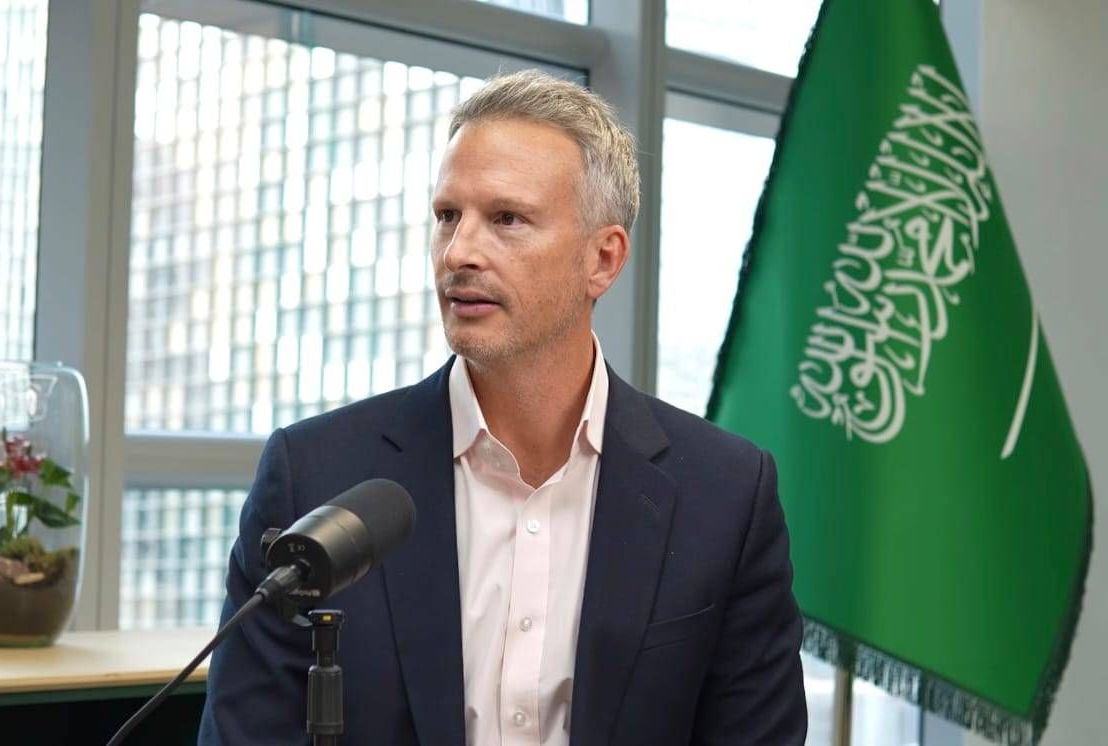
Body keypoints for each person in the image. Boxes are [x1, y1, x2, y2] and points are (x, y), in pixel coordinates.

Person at [198, 69, 806, 746]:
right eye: (447, 217)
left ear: (603, 260)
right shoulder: (313, 475)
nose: (459, 252)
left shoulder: (725, 496)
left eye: (507, 219)